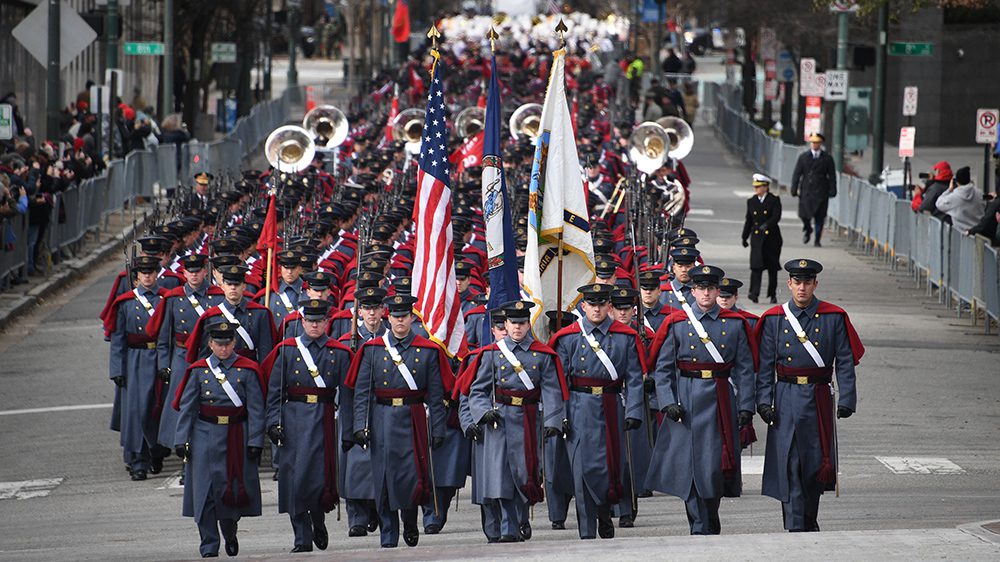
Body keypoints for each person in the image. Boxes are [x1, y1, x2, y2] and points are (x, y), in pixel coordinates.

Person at [755, 259, 864, 532]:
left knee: (815, 463)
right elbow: (765, 365)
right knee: (790, 462)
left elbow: (845, 360)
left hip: (818, 396)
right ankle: (794, 525)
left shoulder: (833, 316)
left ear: (815, 284)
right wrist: (763, 400)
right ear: (789, 284)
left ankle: (807, 519)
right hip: (786, 395)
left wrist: (847, 398)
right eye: (797, 282)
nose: (802, 288)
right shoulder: (774, 319)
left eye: (807, 282)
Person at [645, 265, 756, 535]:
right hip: (686, 397)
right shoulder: (677, 323)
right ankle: (699, 523)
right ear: (692, 291)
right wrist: (667, 401)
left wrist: (745, 407)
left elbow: (745, 369)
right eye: (701, 288)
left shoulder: (734, 324)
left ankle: (710, 515)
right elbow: (663, 368)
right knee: (690, 466)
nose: (706, 293)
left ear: (718, 291)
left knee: (715, 464)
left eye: (711, 288)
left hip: (720, 399)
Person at [345, 294, 452, 548]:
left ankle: (411, 520)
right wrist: (360, 425)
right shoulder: (372, 349)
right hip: (381, 418)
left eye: (404, 316)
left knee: (411, 477)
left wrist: (438, 428)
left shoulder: (427, 350)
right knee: (382, 480)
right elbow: (362, 393)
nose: (399, 321)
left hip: (412, 418)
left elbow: (436, 395)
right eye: (395, 316)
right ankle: (388, 532)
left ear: (412, 318)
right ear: (387, 317)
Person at [457, 300, 568, 543]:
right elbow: (477, 390)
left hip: (529, 420)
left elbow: (551, 390)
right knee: (502, 476)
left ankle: (520, 520)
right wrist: (483, 411)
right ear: (505, 325)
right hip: (500, 421)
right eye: (512, 323)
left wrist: (552, 421)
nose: (517, 328)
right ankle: (508, 527)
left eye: (521, 323)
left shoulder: (542, 355)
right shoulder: (491, 354)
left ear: (528, 324)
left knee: (525, 474)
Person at [549, 284, 645, 540]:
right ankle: (586, 530)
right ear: (583, 307)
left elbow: (635, 379)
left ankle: (604, 512)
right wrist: (561, 416)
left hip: (612, 407)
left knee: (612, 467)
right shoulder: (568, 338)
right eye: (592, 304)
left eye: (602, 304)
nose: (597, 309)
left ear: (609, 307)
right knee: (581, 470)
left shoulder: (625, 336)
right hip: (579, 408)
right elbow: (559, 383)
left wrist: (633, 410)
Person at [262, 299, 353, 553]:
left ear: (326, 322)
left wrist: (348, 432)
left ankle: (318, 519)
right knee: (293, 480)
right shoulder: (287, 350)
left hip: (324, 418)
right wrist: (273, 422)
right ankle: (301, 537)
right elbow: (275, 393)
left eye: (319, 321)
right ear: (302, 322)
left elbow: (347, 396)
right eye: (310, 321)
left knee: (317, 478)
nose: (314, 325)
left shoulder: (339, 352)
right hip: (292, 419)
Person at [172, 321, 265, 558]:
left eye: (227, 344)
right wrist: (181, 439)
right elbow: (188, 407)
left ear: (234, 343)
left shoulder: (248, 369)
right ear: (210, 344)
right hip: (204, 433)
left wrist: (255, 441)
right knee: (203, 492)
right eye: (218, 344)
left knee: (231, 491)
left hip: (236, 434)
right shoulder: (198, 370)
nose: (223, 349)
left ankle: (230, 532)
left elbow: (256, 409)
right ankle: (209, 545)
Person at [145, 254, 225, 470]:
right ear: (183, 273)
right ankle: (182, 453)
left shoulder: (217, 296)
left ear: (204, 271)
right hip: (181, 357)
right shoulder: (174, 298)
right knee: (180, 405)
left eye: (198, 270)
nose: (194, 275)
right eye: (189, 271)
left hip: (208, 356)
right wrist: (164, 365)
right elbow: (164, 337)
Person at [105, 255, 170, 480]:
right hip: (134, 360)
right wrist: (117, 370)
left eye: (151, 272)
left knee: (156, 409)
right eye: (143, 273)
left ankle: (156, 451)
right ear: (136, 277)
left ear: (157, 274)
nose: (148, 276)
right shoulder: (125, 302)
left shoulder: (166, 300)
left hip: (159, 359)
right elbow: (118, 338)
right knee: (135, 413)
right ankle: (137, 461)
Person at [741, 174, 783, 303]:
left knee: (772, 268)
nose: (756, 190)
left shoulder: (774, 200)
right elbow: (749, 220)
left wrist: (767, 225)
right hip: (757, 238)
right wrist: (744, 236)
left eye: (759, 187)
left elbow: (776, 216)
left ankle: (772, 294)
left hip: (772, 238)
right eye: (755, 187)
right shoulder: (751, 201)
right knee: (756, 267)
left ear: (766, 187)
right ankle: (754, 293)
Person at [790, 133, 837, 246]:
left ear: (820, 144)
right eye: (813, 143)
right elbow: (797, 174)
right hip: (807, 190)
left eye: (817, 143)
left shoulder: (827, 158)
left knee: (819, 217)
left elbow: (832, 176)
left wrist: (833, 189)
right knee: (804, 214)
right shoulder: (803, 157)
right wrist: (794, 188)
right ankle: (807, 228)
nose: (814, 145)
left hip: (821, 191)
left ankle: (817, 239)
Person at [935, 166, 985, 232]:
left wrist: (949, 190)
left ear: (956, 181)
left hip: (961, 233)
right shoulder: (979, 193)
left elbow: (938, 204)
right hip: (978, 232)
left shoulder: (953, 197)